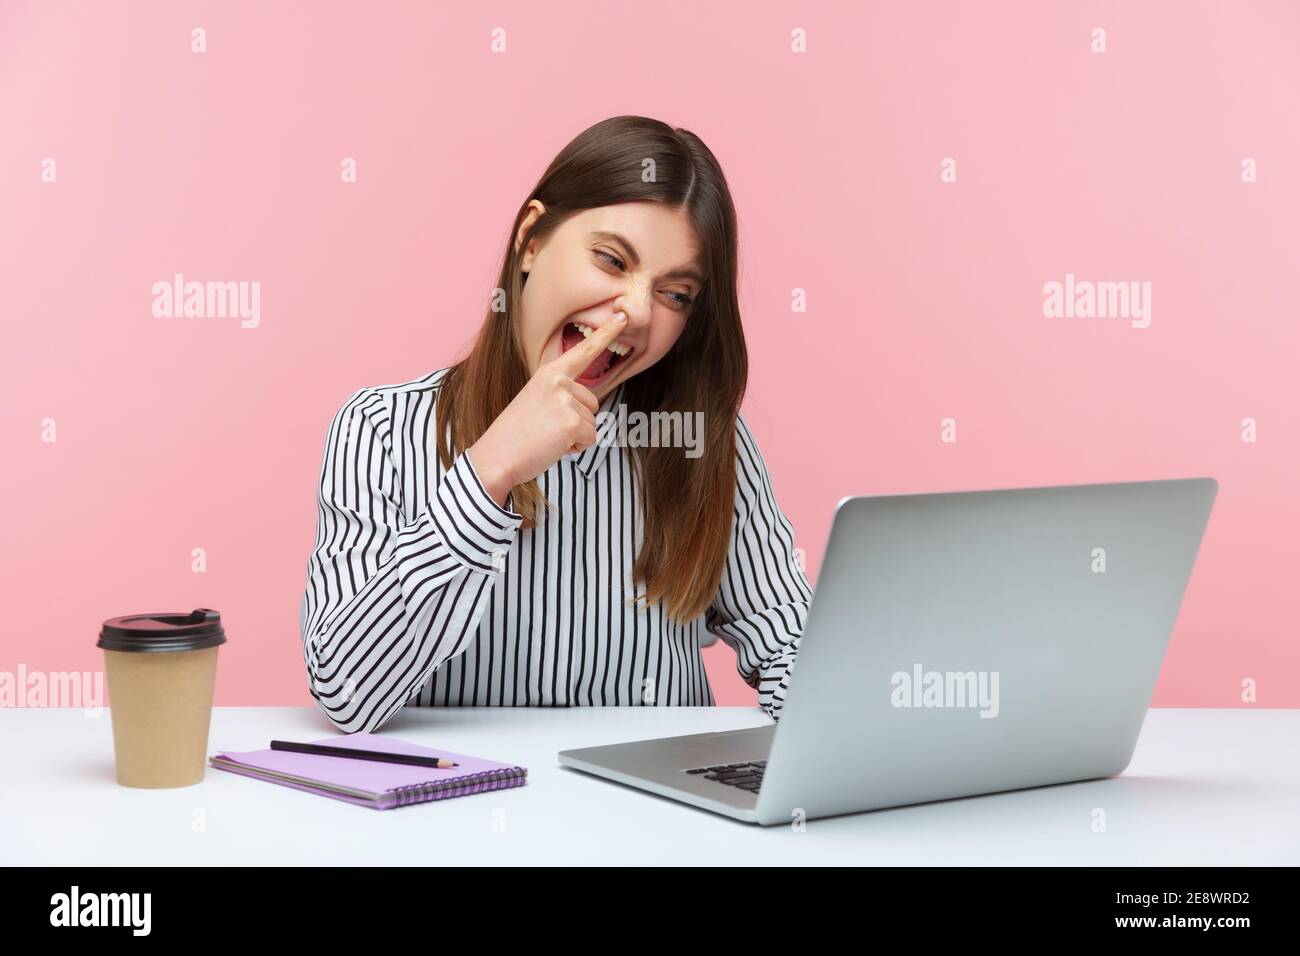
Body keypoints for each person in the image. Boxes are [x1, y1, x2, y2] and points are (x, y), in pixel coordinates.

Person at [299, 115, 811, 734]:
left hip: (655, 822)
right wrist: (489, 472)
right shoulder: (381, 429)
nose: (639, 312)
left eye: (675, 294)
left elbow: (791, 646)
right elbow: (345, 691)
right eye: (612, 260)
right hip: (453, 813)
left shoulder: (702, 438)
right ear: (531, 240)